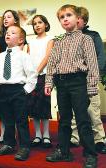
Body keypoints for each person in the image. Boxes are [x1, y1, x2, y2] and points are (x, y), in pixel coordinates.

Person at [45, 4, 98, 168]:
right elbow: (52, 63)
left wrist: (91, 87)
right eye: (62, 17)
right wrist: (49, 82)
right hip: (61, 83)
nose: (65, 19)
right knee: (64, 120)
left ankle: (90, 154)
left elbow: (92, 64)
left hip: (78, 82)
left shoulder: (86, 39)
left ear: (78, 19)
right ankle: (64, 151)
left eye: (69, 15)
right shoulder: (58, 41)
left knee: (82, 119)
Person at [0, 25, 37, 161]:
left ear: (21, 40)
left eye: (13, 33)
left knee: (21, 120)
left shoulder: (24, 56)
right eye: (7, 32)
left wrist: (25, 90)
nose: (8, 34)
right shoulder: (0, 56)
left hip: (18, 90)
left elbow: (32, 74)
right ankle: (8, 144)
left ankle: (24, 147)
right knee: (7, 120)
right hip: (3, 90)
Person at [70, 6, 106, 154]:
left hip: (90, 78)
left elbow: (101, 57)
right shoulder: (68, 38)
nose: (73, 20)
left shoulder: (93, 35)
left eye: (77, 18)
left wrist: (95, 74)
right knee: (74, 111)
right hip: (73, 80)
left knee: (93, 111)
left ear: (83, 20)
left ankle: (99, 140)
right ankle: (74, 138)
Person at [0, 9, 21, 145]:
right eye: (4, 17)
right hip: (2, 76)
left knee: (14, 109)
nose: (5, 19)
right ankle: (3, 134)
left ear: (15, 19)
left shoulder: (19, 37)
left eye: (8, 17)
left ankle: (14, 135)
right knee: (2, 108)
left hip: (14, 76)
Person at [27, 15, 54, 148]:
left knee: (44, 104)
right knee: (33, 105)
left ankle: (46, 135)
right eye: (35, 23)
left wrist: (37, 71)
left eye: (40, 22)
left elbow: (48, 56)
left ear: (45, 24)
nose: (37, 25)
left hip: (44, 75)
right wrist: (30, 74)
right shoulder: (31, 41)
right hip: (32, 77)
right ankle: (38, 135)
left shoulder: (50, 38)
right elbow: (28, 58)